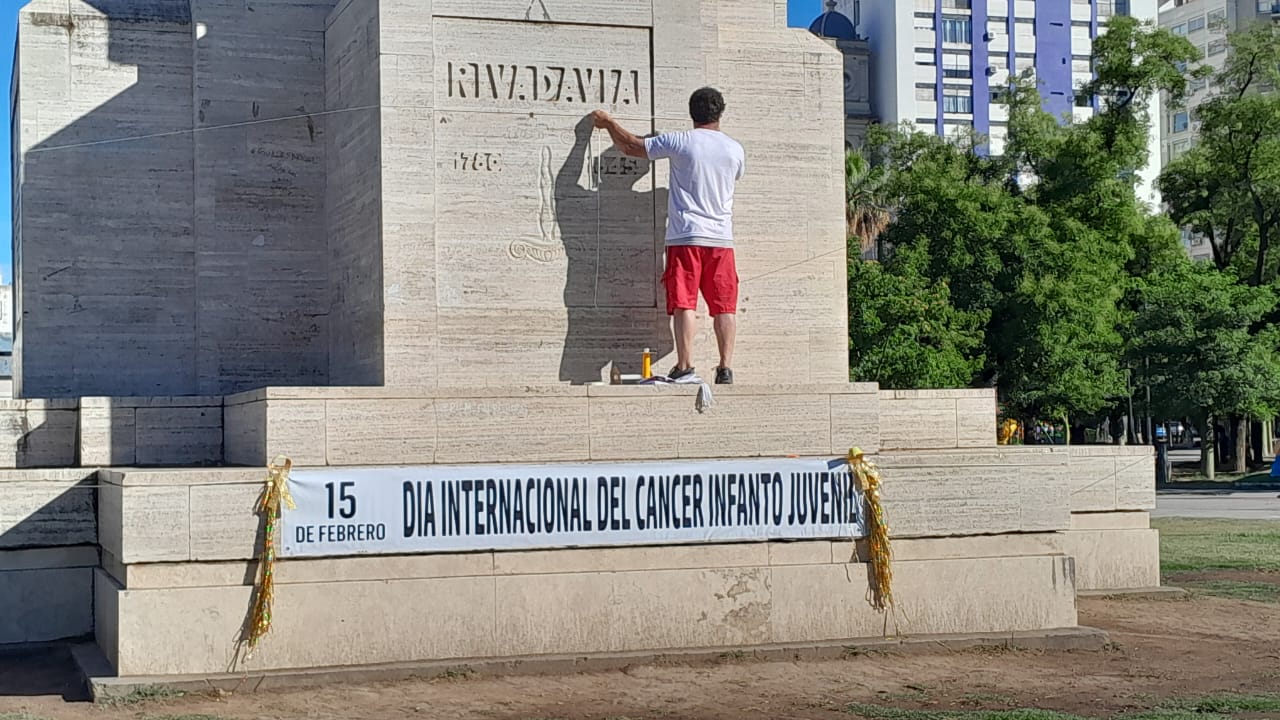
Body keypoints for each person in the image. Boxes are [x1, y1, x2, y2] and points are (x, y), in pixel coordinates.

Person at [590, 87, 746, 385]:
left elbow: (632, 147)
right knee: (724, 306)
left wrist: (608, 123)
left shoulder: (680, 141)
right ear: (720, 113)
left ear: (692, 113)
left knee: (685, 303)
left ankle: (686, 365)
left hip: (686, 236)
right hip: (721, 239)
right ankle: (725, 368)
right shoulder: (734, 149)